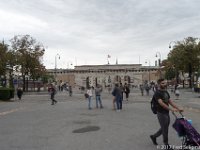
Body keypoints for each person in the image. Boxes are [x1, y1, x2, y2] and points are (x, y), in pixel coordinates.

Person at [150, 78, 183, 148]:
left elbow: (170, 101)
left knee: (164, 128)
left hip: (166, 112)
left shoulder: (165, 92)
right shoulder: (157, 93)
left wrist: (178, 108)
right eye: (163, 83)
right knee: (165, 129)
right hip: (161, 113)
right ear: (159, 84)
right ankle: (166, 144)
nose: (165, 84)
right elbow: (161, 103)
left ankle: (153, 136)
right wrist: (171, 109)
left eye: (165, 83)